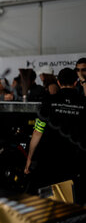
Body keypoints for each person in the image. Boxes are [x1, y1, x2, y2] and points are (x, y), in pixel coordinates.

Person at [24, 68, 86, 202]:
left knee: (47, 203)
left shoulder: (48, 101)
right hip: (76, 163)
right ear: (75, 83)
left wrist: (29, 157)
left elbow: (37, 132)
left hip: (49, 161)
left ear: (58, 82)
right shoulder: (83, 102)